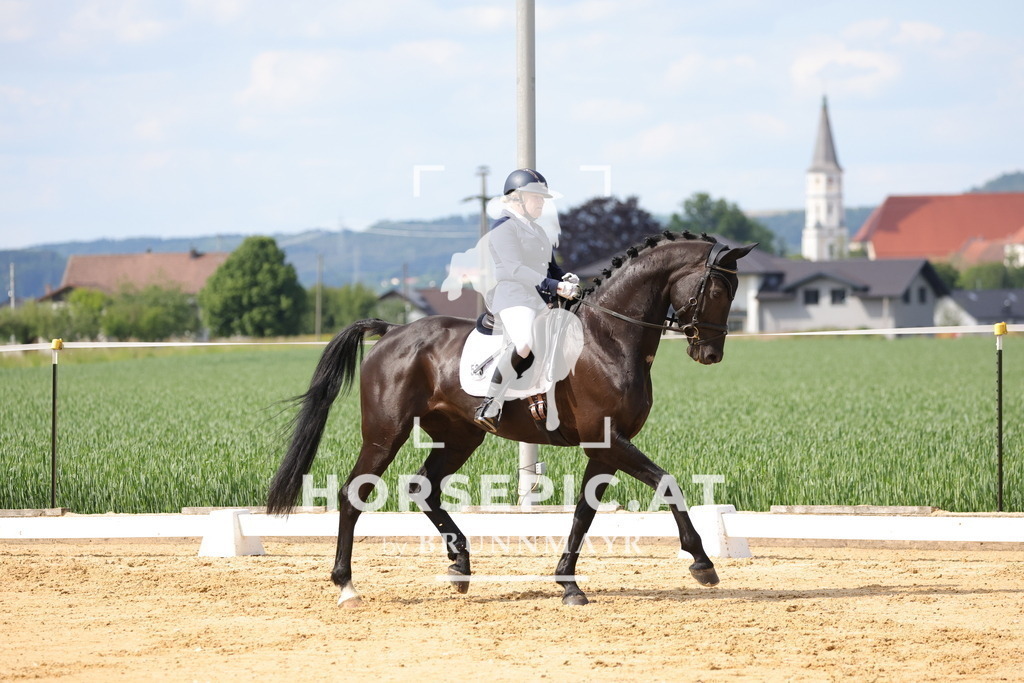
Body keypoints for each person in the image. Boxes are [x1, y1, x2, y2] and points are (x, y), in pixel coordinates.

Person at [473, 168, 581, 433]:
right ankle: (491, 402)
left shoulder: (538, 230)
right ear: (517, 198)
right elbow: (514, 269)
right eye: (536, 197)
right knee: (524, 343)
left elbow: (550, 268)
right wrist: (556, 286)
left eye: (543, 198)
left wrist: (564, 278)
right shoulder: (503, 229)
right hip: (513, 296)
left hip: (539, 297)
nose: (542, 202)